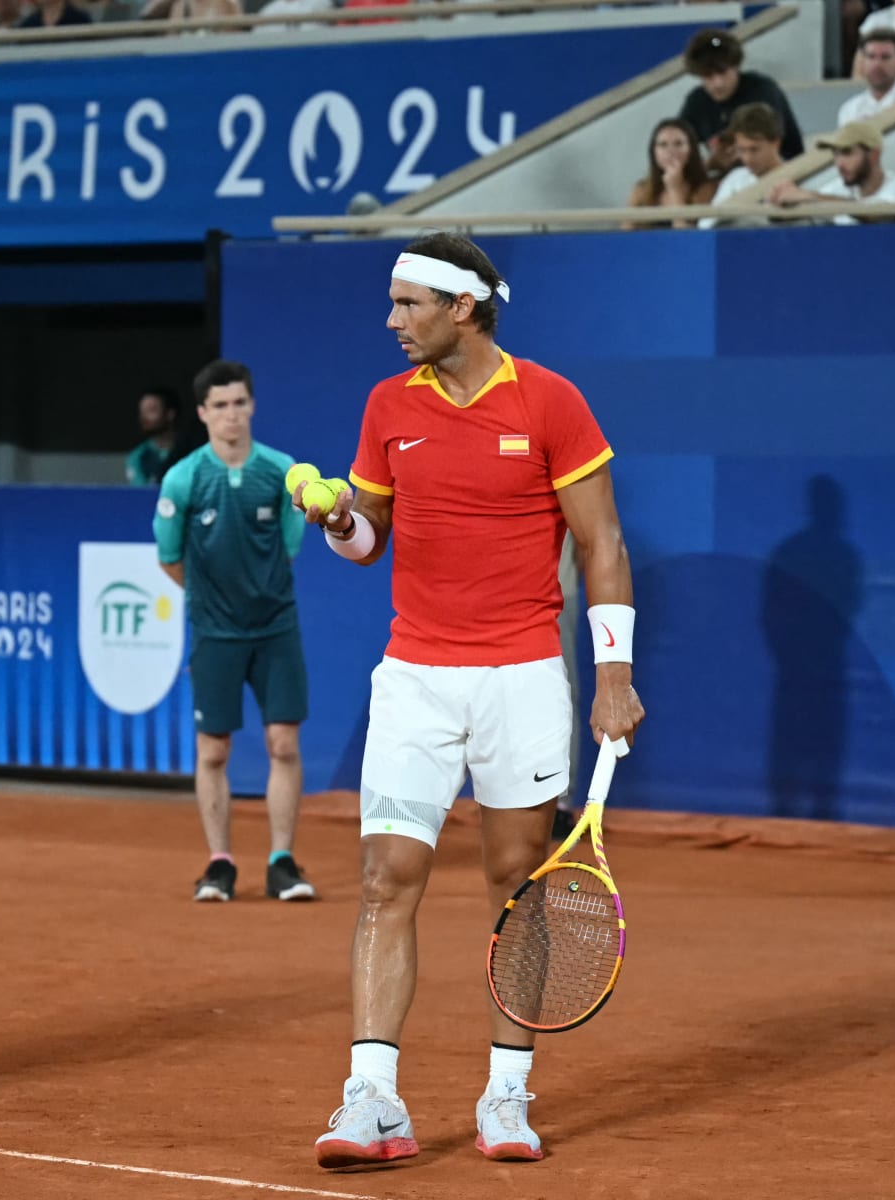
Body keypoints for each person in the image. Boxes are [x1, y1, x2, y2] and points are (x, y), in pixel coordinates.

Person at [298, 233, 643, 1169]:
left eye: (408, 304)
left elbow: (602, 545)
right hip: (413, 675)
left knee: (517, 886)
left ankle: (506, 1095)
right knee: (383, 881)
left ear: (464, 309)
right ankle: (372, 1099)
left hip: (522, 677)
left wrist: (613, 678)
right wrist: (341, 523)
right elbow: (369, 539)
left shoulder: (551, 401)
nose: (391, 320)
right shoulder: (386, 405)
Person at [154, 360, 317, 903]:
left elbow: (289, 547)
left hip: (275, 629)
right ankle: (220, 863)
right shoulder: (183, 478)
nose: (231, 415)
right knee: (214, 752)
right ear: (202, 413)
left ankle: (282, 862)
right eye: (219, 405)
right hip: (214, 634)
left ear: (251, 406)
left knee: (283, 742)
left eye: (239, 403)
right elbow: (170, 558)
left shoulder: (281, 470)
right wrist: (211, 605)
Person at [678, 29, 804, 175]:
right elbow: (678, 138)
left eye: (723, 73)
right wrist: (709, 163)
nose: (718, 83)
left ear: (736, 66)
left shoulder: (762, 90)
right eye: (708, 76)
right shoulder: (697, 100)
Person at [769, 122, 895, 221]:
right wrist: (784, 201)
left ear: (874, 154)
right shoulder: (838, 188)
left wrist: (807, 196)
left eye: (847, 153)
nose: (839, 163)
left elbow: (875, 214)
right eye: (836, 154)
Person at [621, 119, 717, 229]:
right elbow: (624, 235)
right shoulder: (641, 189)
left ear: (691, 150)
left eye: (678, 144)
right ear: (654, 152)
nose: (671, 151)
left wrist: (674, 189)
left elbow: (686, 239)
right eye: (663, 145)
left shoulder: (706, 188)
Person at [837, 30, 895, 129]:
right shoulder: (850, 110)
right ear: (863, 62)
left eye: (885, 57)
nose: (877, 64)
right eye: (871, 57)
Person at [126, 386, 180, 484]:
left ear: (170, 414)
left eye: (151, 410)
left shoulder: (191, 452)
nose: (144, 417)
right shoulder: (139, 456)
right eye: (142, 411)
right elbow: (140, 493)